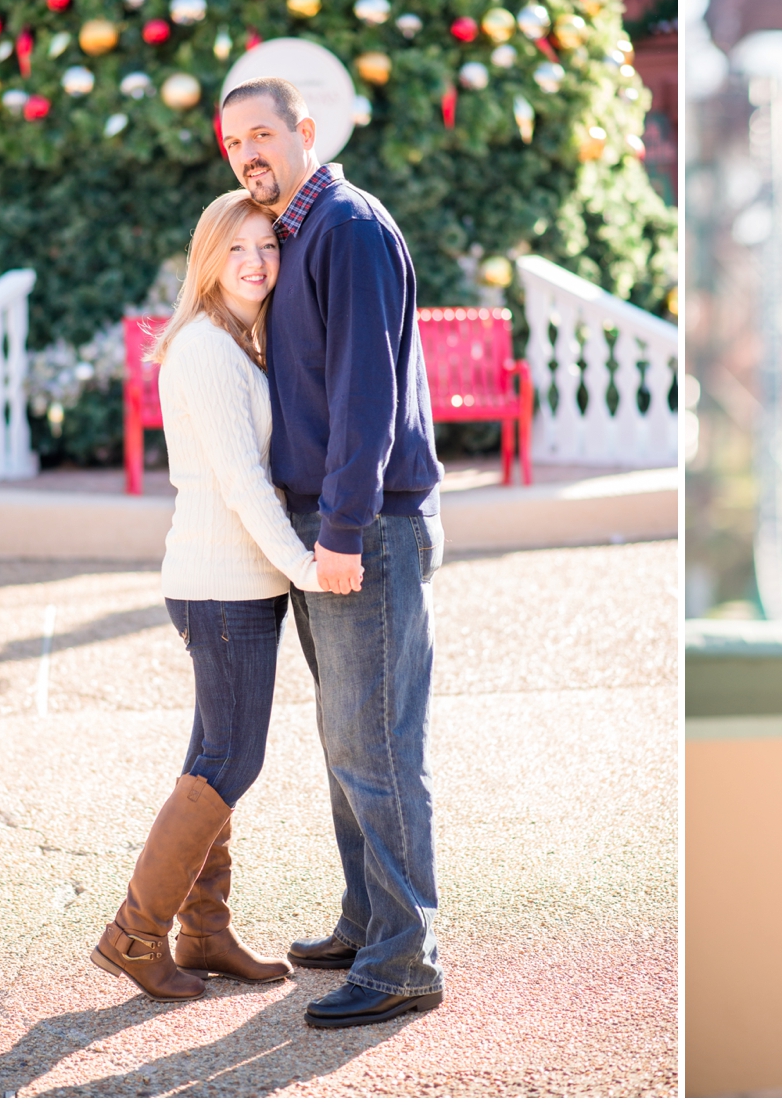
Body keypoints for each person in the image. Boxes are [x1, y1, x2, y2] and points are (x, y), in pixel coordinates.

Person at [218, 76, 448, 1030]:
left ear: (306, 132)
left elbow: (366, 394)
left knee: (378, 746)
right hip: (327, 526)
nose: (248, 155)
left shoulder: (348, 226)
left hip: (365, 529)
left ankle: (404, 959)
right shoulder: (301, 233)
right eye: (233, 143)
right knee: (348, 739)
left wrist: (343, 529)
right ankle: (368, 921)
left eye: (263, 134)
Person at [92, 190, 358, 1001]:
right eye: (237, 248)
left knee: (210, 756)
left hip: (236, 582)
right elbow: (244, 484)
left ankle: (203, 932)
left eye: (267, 248)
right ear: (207, 259)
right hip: (221, 584)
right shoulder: (208, 348)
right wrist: (309, 566)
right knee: (231, 759)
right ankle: (135, 934)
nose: (256, 262)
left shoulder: (242, 341)